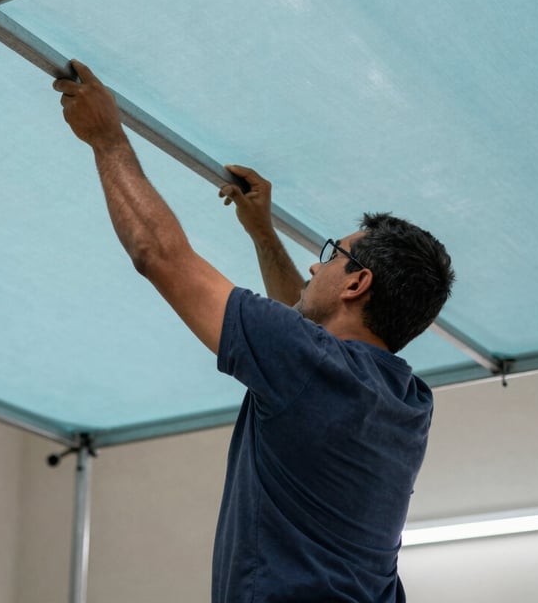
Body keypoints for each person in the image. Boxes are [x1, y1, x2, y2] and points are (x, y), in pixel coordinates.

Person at [54, 60, 455, 603]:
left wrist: (106, 138)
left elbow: (159, 255)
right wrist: (263, 234)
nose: (316, 267)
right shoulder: (407, 401)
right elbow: (305, 330)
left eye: (331, 255)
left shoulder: (312, 368)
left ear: (358, 283)